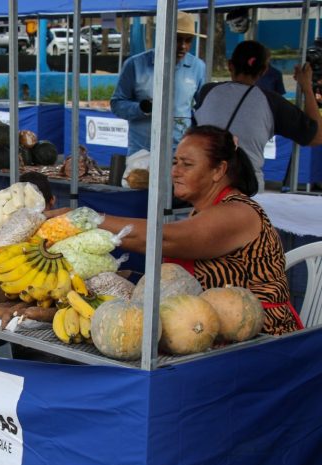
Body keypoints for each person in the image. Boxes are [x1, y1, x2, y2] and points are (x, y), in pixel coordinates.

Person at [48, 125, 301, 336]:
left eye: (187, 164)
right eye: (175, 162)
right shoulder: (201, 210)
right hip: (204, 327)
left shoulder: (237, 213)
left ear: (219, 170)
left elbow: (162, 239)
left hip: (260, 338)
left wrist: (86, 220)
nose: (175, 171)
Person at [194, 40, 322, 191]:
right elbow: (316, 137)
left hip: (205, 184)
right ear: (264, 70)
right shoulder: (271, 102)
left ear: (230, 65)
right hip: (246, 189)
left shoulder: (207, 92)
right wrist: (306, 87)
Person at [110, 11, 206, 156]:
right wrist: (142, 108)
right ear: (164, 36)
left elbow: (203, 108)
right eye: (178, 39)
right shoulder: (135, 65)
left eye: (188, 40)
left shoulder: (197, 67)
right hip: (142, 151)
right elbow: (117, 104)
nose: (183, 46)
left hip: (179, 153)